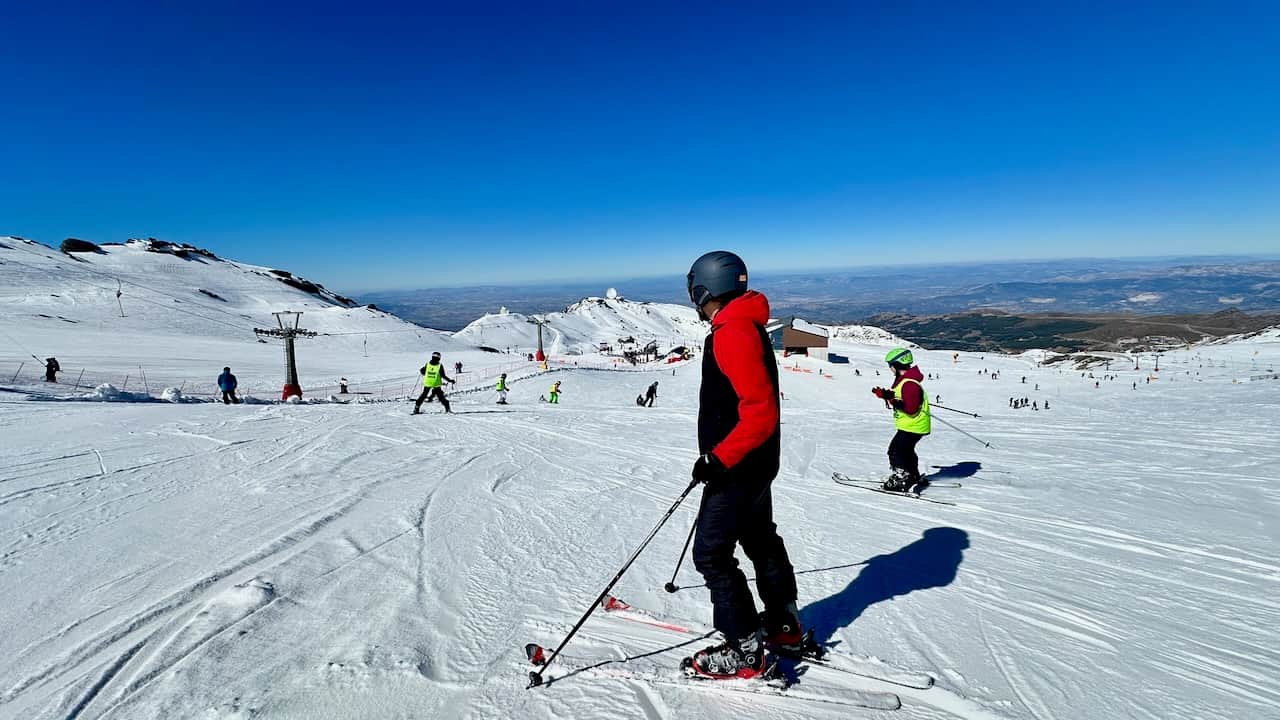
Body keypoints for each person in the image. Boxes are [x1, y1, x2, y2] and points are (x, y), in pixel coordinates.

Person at [683, 250, 800, 680]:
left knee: (712, 554)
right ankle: (784, 625)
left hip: (738, 465)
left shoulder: (732, 331)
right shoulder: (744, 325)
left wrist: (719, 457)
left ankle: (745, 647)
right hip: (755, 461)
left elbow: (760, 411)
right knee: (759, 538)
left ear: (706, 288)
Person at [871, 348, 931, 493]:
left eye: (890, 365)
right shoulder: (905, 381)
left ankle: (903, 478)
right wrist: (886, 395)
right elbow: (902, 397)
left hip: (913, 426)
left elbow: (910, 409)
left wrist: (891, 399)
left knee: (895, 451)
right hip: (913, 425)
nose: (890, 368)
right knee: (906, 451)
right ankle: (913, 475)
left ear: (897, 365)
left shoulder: (909, 383)